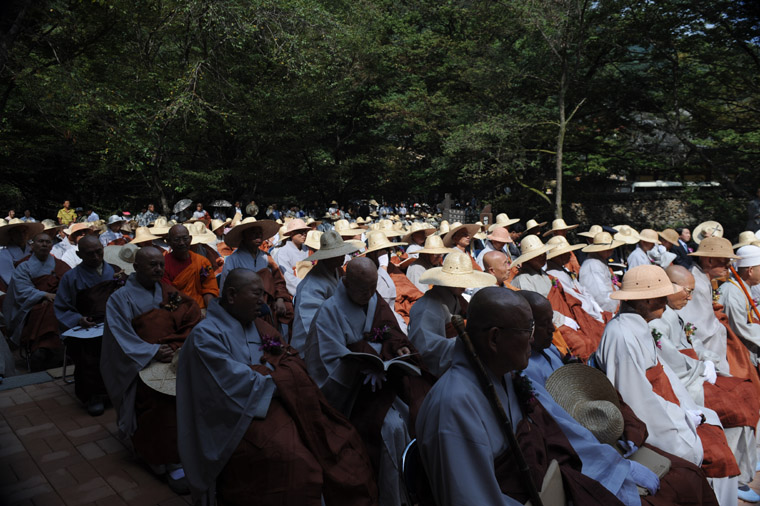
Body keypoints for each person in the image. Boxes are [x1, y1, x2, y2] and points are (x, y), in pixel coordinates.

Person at [176, 269, 378, 505]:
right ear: (231, 295)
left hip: (277, 402)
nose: (263, 303)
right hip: (236, 419)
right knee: (296, 461)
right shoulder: (205, 336)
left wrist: (275, 373)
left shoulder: (259, 326)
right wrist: (276, 375)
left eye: (264, 294)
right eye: (256, 295)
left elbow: (292, 359)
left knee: (340, 440)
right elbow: (231, 385)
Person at [416, 286, 627, 506]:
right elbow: (471, 498)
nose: (533, 338)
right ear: (494, 338)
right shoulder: (454, 406)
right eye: (528, 329)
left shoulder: (505, 376)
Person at [522, 291, 718, 506]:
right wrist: (617, 463)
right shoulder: (525, 370)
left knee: (690, 472)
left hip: (601, 427)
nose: (553, 329)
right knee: (680, 481)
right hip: (582, 446)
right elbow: (560, 427)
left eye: (552, 320)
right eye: (543, 324)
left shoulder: (548, 348)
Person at [596, 265, 739, 504]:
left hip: (669, 411)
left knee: (713, 421)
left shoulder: (639, 325)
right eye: (662, 295)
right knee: (702, 460)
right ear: (647, 299)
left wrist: (688, 410)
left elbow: (665, 377)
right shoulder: (621, 335)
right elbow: (637, 401)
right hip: (652, 428)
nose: (667, 299)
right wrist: (681, 427)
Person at [304, 257, 432, 506]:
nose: (370, 294)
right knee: (390, 428)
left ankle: (411, 491)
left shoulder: (374, 299)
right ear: (346, 282)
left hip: (386, 383)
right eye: (363, 289)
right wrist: (362, 358)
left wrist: (399, 347)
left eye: (373, 288)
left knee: (421, 410)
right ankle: (388, 496)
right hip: (352, 393)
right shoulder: (329, 310)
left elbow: (391, 330)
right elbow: (326, 361)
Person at [653, 265, 760, 501]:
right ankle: (737, 471)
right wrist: (701, 367)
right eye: (686, 292)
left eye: (692, 291)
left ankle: (745, 461)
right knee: (737, 407)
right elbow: (671, 359)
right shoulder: (654, 321)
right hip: (686, 383)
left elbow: (692, 342)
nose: (690, 297)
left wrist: (708, 361)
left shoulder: (672, 311)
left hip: (695, 373)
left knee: (747, 390)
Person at [101, 246, 201, 494]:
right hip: (142, 363)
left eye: (160, 264)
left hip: (175, 357)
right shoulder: (120, 298)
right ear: (135, 268)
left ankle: (190, 450)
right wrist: (151, 352)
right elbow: (118, 336)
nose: (158, 269)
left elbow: (190, 315)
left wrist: (177, 345)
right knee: (159, 403)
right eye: (151, 265)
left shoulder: (167, 291)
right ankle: (164, 459)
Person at [54, 236, 126, 416]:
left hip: (115, 322)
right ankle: (94, 395)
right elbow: (62, 306)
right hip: (87, 325)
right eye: (90, 253)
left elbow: (127, 298)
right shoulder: (71, 277)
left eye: (98, 251)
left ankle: (123, 389)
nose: (95, 256)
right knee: (88, 351)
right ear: (79, 254)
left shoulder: (116, 272)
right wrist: (78, 319)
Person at [407, 251, 495, 377]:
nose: (465, 286)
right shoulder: (427, 307)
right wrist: (467, 342)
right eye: (460, 280)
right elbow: (426, 349)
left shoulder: (455, 298)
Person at [3, 232, 70, 370]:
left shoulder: (60, 265)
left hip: (58, 302)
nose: (44, 244)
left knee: (52, 309)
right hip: (31, 306)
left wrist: (56, 297)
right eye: (40, 241)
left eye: (48, 242)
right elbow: (21, 290)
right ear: (32, 245)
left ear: (52, 246)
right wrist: (44, 295)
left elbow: (70, 285)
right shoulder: (24, 266)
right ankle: (42, 348)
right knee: (44, 309)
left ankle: (43, 348)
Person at [290, 230, 358, 353]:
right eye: (337, 253)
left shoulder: (337, 272)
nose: (343, 256)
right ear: (327, 257)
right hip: (311, 345)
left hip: (335, 332)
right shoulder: (311, 286)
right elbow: (309, 324)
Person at [220, 219, 293, 331]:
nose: (258, 235)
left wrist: (280, 299)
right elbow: (226, 288)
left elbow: (278, 281)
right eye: (253, 232)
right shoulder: (233, 259)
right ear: (244, 235)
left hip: (267, 306)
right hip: (244, 306)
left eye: (260, 232)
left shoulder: (266, 257)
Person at [162, 224, 218, 310]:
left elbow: (209, 289)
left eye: (185, 239)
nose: (182, 243)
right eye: (177, 240)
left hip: (201, 307)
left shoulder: (202, 262)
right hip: (177, 309)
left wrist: (211, 309)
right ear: (168, 241)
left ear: (190, 239)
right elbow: (169, 293)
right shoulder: (163, 264)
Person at [579, 231, 624, 314]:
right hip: (605, 312)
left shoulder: (599, 261)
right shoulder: (593, 266)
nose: (612, 250)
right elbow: (601, 297)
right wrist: (616, 307)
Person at [0, 219, 42, 290]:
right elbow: (11, 280)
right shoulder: (3, 255)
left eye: (24, 231)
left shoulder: (34, 250)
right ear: (11, 234)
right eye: (17, 232)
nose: (22, 235)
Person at [276, 218, 311, 297]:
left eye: (305, 231)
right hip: (295, 292)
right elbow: (288, 278)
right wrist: (308, 287)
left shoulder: (308, 249)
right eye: (300, 232)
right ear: (291, 233)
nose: (304, 234)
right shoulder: (283, 253)